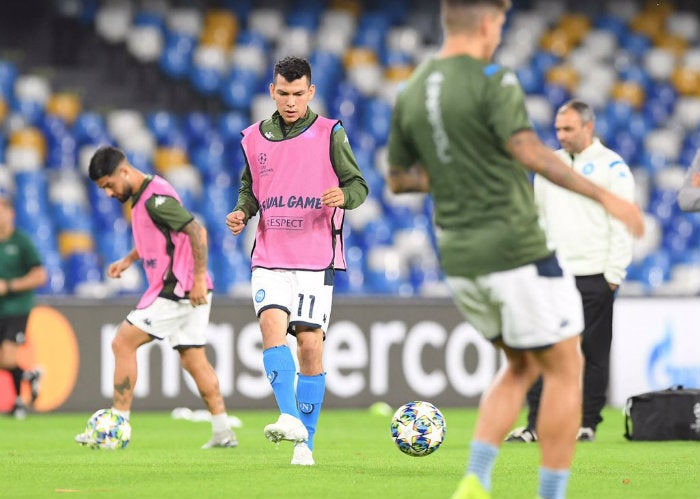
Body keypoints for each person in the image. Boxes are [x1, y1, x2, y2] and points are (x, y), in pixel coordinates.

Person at [385, 2, 644, 499]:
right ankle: (551, 494)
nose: (500, 31)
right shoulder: (492, 78)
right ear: (487, 24)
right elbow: (530, 151)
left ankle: (476, 479)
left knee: (522, 367)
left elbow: (398, 179)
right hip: (513, 248)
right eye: (501, 23)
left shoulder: (412, 89)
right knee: (568, 368)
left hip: (458, 257)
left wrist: (455, 172)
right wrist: (608, 197)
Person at [225, 56, 368, 466]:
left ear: (311, 92)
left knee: (309, 347)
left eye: (298, 94)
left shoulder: (329, 133)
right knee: (272, 325)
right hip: (270, 254)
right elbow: (250, 188)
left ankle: (306, 443)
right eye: (283, 93)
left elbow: (358, 183)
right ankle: (288, 415)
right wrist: (242, 211)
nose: (290, 101)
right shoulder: (253, 137)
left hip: (314, 255)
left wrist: (345, 196)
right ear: (273, 91)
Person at [75, 146, 237, 449]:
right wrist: (129, 259)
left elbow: (197, 232)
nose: (109, 193)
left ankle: (116, 426)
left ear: (123, 171)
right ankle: (223, 431)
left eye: (109, 185)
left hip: (178, 288)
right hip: (187, 287)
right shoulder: (145, 196)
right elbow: (162, 235)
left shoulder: (155, 199)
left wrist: (199, 279)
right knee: (194, 360)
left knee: (122, 342)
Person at [504, 99, 635, 445]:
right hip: (553, 272)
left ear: (588, 128)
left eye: (568, 129)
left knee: (592, 351)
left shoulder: (613, 167)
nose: (560, 135)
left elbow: (621, 220)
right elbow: (538, 218)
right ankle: (536, 424)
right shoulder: (549, 166)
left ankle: (586, 423)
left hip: (594, 273)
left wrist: (614, 273)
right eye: (558, 128)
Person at [0, 193, 47, 419]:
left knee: (8, 357)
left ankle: (20, 398)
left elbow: (40, 275)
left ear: (11, 213)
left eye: (2, 210)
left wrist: (9, 286)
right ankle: (27, 378)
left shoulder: (21, 241)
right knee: (3, 359)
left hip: (16, 307)